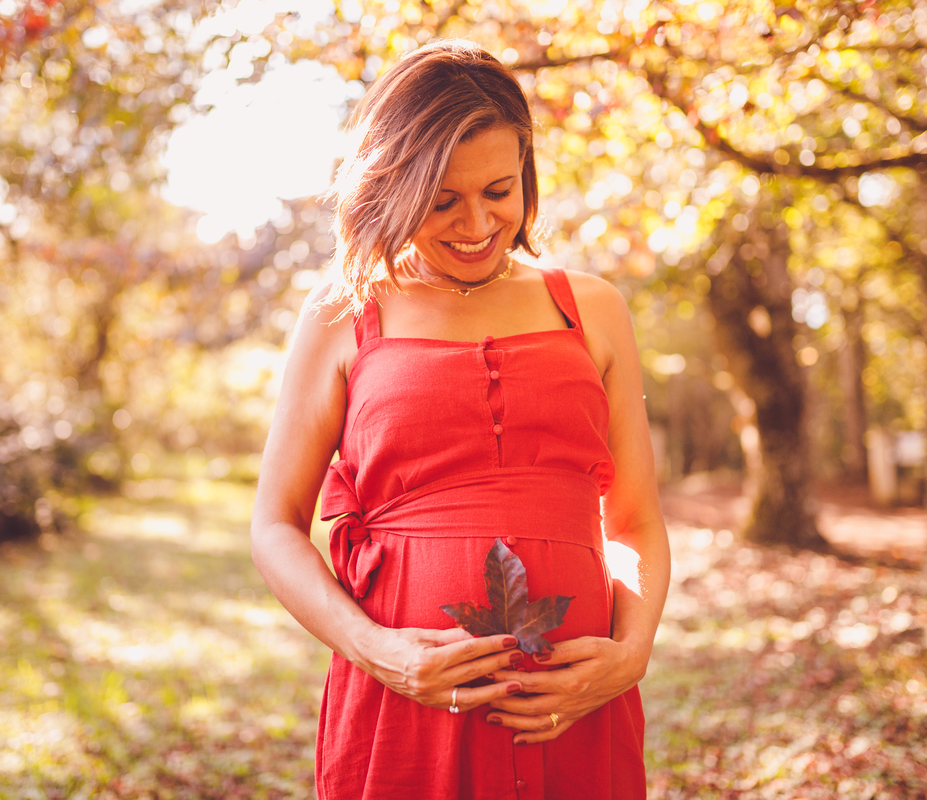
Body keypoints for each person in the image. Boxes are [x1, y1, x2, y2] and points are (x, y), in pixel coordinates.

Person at [250, 40, 670, 799]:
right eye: (442, 200)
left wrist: (631, 652)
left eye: (499, 192)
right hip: (404, 707)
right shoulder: (344, 313)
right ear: (394, 186)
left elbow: (634, 520)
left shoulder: (593, 307)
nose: (476, 224)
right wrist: (377, 651)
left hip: (574, 710)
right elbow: (275, 526)